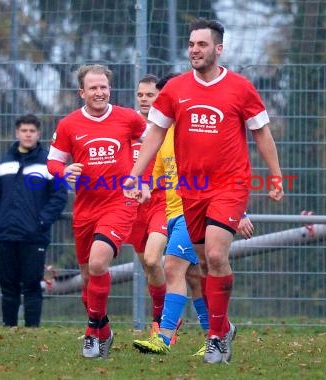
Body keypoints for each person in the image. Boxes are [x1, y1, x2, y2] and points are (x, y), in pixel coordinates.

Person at [124, 18, 284, 365]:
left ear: (218, 49)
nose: (194, 50)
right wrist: (136, 175)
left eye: (202, 45)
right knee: (201, 266)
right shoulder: (175, 89)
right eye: (191, 44)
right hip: (190, 190)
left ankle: (214, 337)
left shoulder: (240, 88)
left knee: (214, 255)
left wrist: (275, 175)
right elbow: (153, 134)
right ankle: (223, 328)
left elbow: (261, 133)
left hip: (230, 185)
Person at [132, 74, 255, 356]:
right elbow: (159, 176)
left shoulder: (199, 131)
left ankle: (163, 337)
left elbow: (224, 174)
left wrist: (241, 211)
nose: (160, 104)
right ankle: (218, 330)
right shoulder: (161, 137)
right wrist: (144, 188)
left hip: (197, 211)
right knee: (195, 278)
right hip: (175, 211)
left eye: (161, 98)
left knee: (172, 267)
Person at [47, 64, 146, 359]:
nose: (99, 92)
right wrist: (64, 172)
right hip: (86, 209)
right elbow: (52, 162)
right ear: (82, 92)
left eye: (103, 87)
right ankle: (103, 330)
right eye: (93, 88)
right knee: (88, 282)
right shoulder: (69, 125)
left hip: (120, 202)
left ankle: (91, 332)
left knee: (99, 264)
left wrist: (142, 176)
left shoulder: (129, 119)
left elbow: (152, 142)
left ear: (110, 89)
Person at [0, 113, 68, 328]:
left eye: (32, 131)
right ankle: (8, 328)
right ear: (17, 133)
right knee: (8, 285)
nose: (28, 135)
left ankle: (32, 331)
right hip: (5, 234)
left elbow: (59, 197)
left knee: (32, 285)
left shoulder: (48, 162)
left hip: (34, 236)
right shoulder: (5, 161)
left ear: (38, 134)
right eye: (24, 131)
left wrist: (41, 222)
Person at [126, 74, 168, 336]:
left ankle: (163, 323)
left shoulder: (166, 127)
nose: (144, 99)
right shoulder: (126, 125)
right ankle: (161, 319)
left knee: (154, 259)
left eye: (150, 95)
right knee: (148, 266)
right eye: (140, 95)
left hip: (162, 202)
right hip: (133, 207)